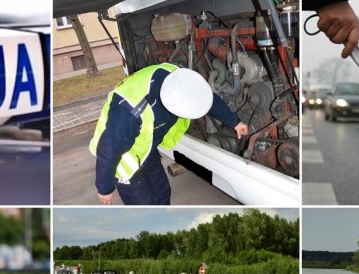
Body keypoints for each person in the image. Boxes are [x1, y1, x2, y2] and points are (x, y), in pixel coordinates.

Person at [90, 63, 249, 205]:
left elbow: (205, 98)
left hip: (146, 148)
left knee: (162, 192)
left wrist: (234, 122)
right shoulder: (131, 113)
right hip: (124, 159)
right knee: (143, 205)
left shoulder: (179, 79)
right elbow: (109, 149)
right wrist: (105, 188)